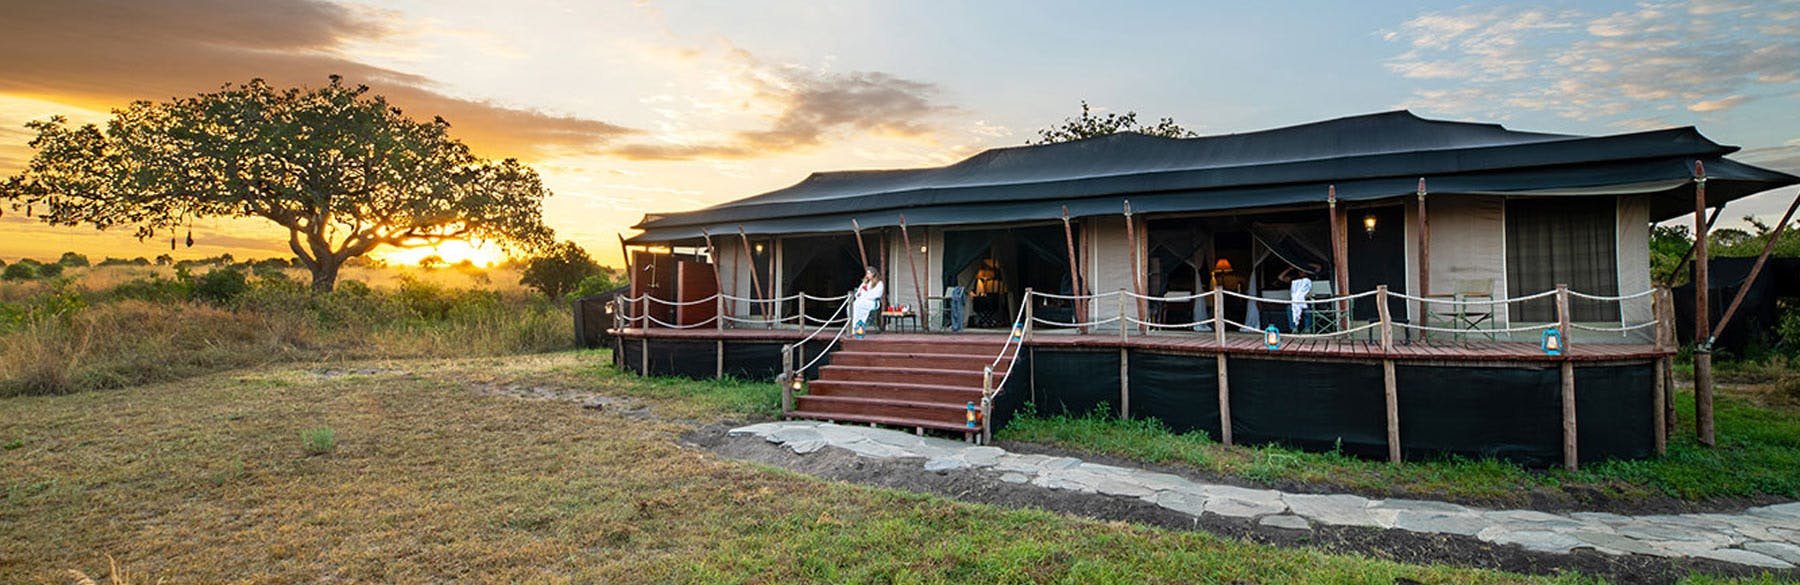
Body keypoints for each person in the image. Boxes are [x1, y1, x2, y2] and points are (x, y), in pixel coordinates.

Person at [1277, 263, 1319, 332]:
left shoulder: (1310, 278)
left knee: (1307, 309)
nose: (1302, 272)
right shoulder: (1294, 279)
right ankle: (1294, 328)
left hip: (1306, 300)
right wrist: (1289, 269)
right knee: (1289, 308)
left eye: (1303, 271)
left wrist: (1307, 264)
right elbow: (1280, 277)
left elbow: (1318, 267)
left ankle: (1307, 329)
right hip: (1295, 301)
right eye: (1300, 271)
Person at [852, 266, 885, 333]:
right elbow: (858, 292)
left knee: (858, 305)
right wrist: (859, 294)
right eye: (867, 273)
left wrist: (866, 294)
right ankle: (855, 325)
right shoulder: (865, 282)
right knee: (854, 306)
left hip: (872, 302)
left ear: (873, 274)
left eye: (869, 273)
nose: (868, 275)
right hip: (862, 300)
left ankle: (857, 326)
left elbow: (877, 295)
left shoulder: (879, 284)